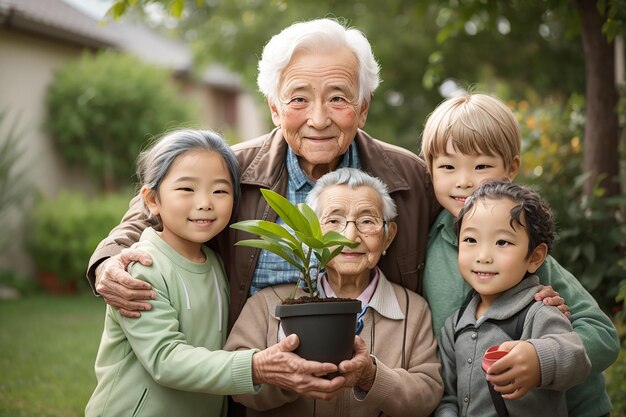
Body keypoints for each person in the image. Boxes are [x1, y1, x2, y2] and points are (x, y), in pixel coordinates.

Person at [86, 18, 439, 328]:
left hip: (373, 388)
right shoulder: (230, 168)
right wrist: (108, 261)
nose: (318, 119)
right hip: (254, 385)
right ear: (274, 108)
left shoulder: (410, 177)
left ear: (362, 109)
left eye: (338, 99)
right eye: (298, 99)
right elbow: (149, 211)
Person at [85, 129, 345, 417]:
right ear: (152, 200)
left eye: (220, 190)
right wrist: (256, 366)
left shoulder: (215, 262)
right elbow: (164, 359)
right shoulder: (142, 268)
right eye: (187, 189)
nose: (205, 202)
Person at [420, 93, 618, 417]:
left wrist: (541, 359)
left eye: (481, 165)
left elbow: (603, 335)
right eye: (447, 166)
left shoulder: (524, 250)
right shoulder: (428, 242)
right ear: (429, 170)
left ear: (511, 168)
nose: (464, 180)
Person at [225, 168, 443, 417]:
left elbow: (427, 395)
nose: (350, 237)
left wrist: (371, 376)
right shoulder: (267, 304)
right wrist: (284, 376)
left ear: (387, 237)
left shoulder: (412, 309)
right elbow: (234, 382)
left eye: (367, 221)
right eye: (333, 221)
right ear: (310, 234)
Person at [436, 180, 591, 417]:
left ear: (535, 257)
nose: (484, 256)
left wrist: (538, 359)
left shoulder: (539, 311)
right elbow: (447, 397)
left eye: (502, 242)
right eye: (470, 240)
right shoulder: (455, 326)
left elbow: (577, 359)